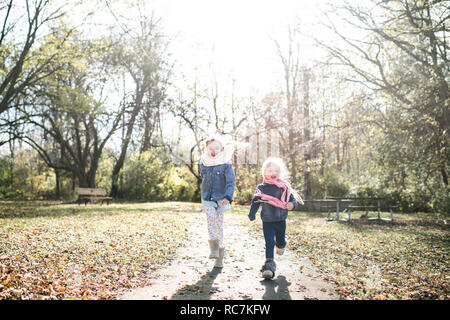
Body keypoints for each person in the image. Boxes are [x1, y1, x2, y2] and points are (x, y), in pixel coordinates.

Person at [248, 157, 304, 279]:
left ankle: (282, 244)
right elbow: (256, 201)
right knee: (269, 242)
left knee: (280, 241)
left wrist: (292, 205)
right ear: (264, 173)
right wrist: (252, 213)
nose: (273, 173)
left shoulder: (284, 187)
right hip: (267, 221)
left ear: (280, 173)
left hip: (280, 220)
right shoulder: (261, 188)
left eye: (276, 170)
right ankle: (269, 266)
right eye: (269, 170)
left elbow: (292, 199)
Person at [199, 135, 236, 268]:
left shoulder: (226, 165)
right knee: (210, 220)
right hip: (207, 197)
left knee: (219, 224)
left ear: (222, 149)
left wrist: (228, 197)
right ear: (206, 149)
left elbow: (231, 183)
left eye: (216, 148)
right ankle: (213, 249)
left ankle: (220, 256)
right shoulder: (204, 162)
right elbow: (202, 176)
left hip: (222, 199)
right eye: (210, 148)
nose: (213, 150)